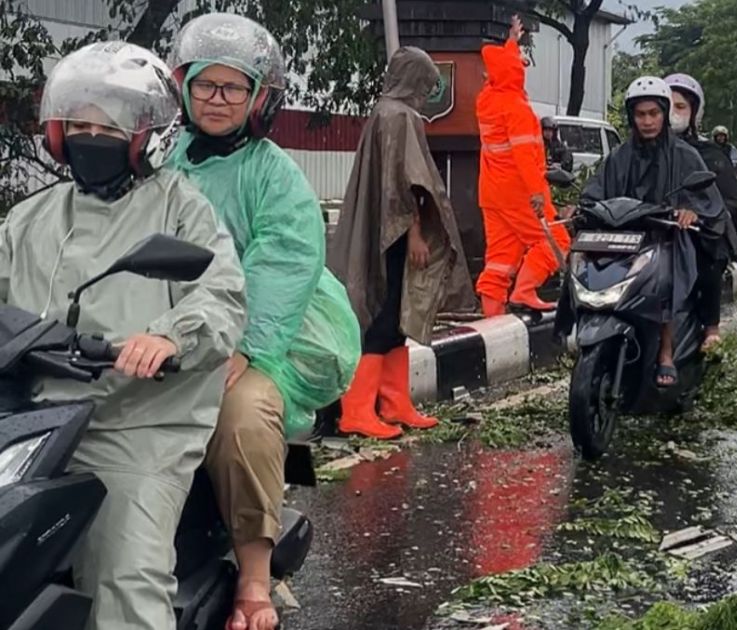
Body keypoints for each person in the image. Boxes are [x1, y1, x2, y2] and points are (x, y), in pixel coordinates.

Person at [2, 41, 246, 630]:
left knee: (123, 575)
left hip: (136, 425)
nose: (90, 136)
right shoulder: (30, 218)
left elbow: (220, 294)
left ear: (145, 137)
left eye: (106, 126)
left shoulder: (180, 210)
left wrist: (166, 336)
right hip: (31, 419)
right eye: (78, 124)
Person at [166, 13, 362, 630]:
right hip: (169, 328)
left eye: (232, 88)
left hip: (268, 338)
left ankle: (254, 576)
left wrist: (243, 348)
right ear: (184, 87)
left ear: (258, 98)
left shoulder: (274, 174)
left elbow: (282, 263)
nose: (216, 99)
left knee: (240, 413)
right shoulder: (162, 160)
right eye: (205, 85)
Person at [329, 46, 476, 439]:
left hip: (382, 227)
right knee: (384, 311)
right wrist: (414, 232)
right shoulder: (400, 116)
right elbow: (407, 182)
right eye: (427, 82)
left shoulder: (384, 113)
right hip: (393, 232)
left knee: (394, 313)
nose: (429, 90)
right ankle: (359, 410)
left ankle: (393, 401)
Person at [578, 76, 723, 386]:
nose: (647, 121)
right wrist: (581, 207)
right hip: (625, 238)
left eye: (653, 114)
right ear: (632, 117)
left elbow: (705, 198)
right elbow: (596, 190)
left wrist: (689, 211)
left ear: (664, 114)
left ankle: (666, 351)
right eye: (641, 115)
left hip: (667, 238)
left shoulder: (685, 154)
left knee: (665, 274)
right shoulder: (618, 156)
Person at [474, 15, 571, 315]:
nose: (521, 68)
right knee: (557, 242)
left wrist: (512, 42)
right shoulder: (515, 107)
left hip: (492, 193)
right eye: (518, 65)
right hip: (519, 191)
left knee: (500, 258)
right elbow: (524, 157)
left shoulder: (487, 99)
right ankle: (525, 291)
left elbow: (503, 68)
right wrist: (537, 194)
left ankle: (493, 317)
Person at [665, 73, 737, 350]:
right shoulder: (639, 150)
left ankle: (711, 327)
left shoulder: (710, 154)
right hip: (653, 231)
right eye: (668, 104)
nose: (673, 112)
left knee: (708, 260)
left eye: (681, 106)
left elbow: (730, 200)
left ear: (694, 112)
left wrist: (700, 213)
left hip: (698, 232)